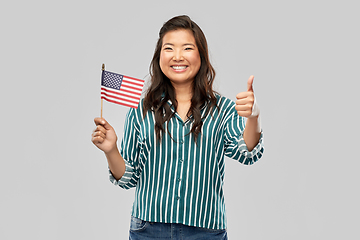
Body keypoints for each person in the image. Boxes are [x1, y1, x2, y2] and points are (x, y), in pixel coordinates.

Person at [92, 15, 264, 240]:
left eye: (187, 48)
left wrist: (253, 117)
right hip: (149, 229)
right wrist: (111, 149)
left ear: (200, 55)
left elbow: (247, 152)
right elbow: (128, 178)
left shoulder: (221, 109)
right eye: (169, 48)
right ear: (159, 56)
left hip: (205, 230)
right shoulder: (141, 111)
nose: (178, 56)